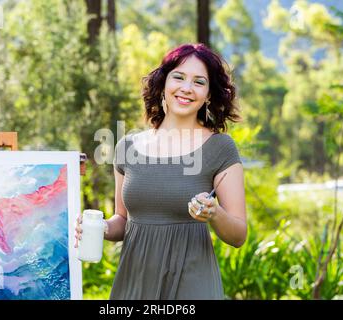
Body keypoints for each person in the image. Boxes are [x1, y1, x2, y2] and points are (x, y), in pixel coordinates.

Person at [75, 43, 247, 300]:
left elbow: (238, 234)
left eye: (199, 82)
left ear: (209, 95)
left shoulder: (220, 147)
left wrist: (215, 213)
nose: (186, 88)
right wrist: (100, 228)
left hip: (192, 286)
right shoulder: (127, 147)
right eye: (178, 77)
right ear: (163, 84)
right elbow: (122, 220)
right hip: (134, 284)